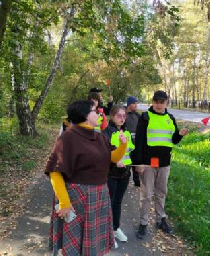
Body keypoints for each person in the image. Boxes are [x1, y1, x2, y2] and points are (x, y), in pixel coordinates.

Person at [45, 100, 127, 256]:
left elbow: (113, 158)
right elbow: (55, 171)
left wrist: (123, 145)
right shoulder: (68, 137)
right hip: (76, 198)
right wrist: (64, 202)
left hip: (99, 196)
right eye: (95, 111)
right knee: (72, 246)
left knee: (93, 243)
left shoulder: (99, 137)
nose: (99, 114)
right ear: (84, 115)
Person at [132, 90, 189, 239]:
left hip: (164, 163)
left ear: (166, 103)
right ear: (152, 102)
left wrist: (180, 134)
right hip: (148, 164)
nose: (158, 104)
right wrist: (138, 163)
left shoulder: (170, 118)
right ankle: (143, 223)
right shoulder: (145, 117)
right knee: (146, 194)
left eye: (161, 102)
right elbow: (138, 142)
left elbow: (174, 140)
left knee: (161, 193)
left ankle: (160, 220)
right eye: (156, 101)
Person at [102, 105, 135, 246]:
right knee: (108, 202)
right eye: (118, 116)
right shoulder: (106, 133)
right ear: (112, 117)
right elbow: (104, 154)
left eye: (124, 116)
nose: (122, 118)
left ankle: (115, 228)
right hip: (111, 174)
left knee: (118, 202)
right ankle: (106, 233)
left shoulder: (126, 132)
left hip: (125, 173)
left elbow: (130, 151)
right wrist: (115, 161)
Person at [125, 96, 141, 187]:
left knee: (136, 163)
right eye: (134, 103)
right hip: (126, 145)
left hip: (136, 144)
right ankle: (125, 181)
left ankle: (137, 180)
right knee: (127, 163)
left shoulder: (137, 115)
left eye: (136, 103)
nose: (136, 105)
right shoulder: (123, 114)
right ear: (129, 104)